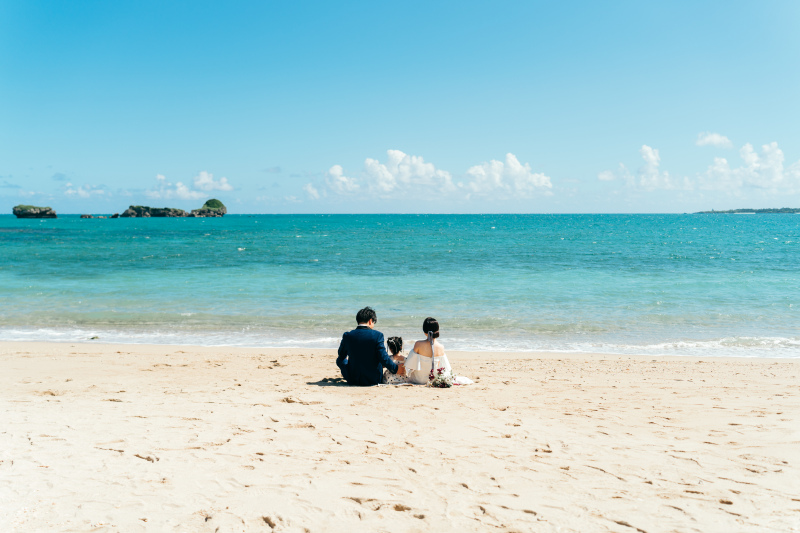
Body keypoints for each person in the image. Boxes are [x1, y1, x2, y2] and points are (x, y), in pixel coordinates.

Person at [336, 307, 398, 386]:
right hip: (373, 380)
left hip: (353, 379)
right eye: (373, 322)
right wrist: (395, 369)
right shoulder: (377, 335)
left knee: (340, 359)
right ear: (370, 321)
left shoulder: (347, 335)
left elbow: (341, 355)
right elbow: (383, 358)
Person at [404, 317, 473, 385]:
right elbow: (445, 367)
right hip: (433, 379)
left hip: (418, 379)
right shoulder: (441, 347)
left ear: (425, 332)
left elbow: (410, 364)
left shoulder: (418, 344)